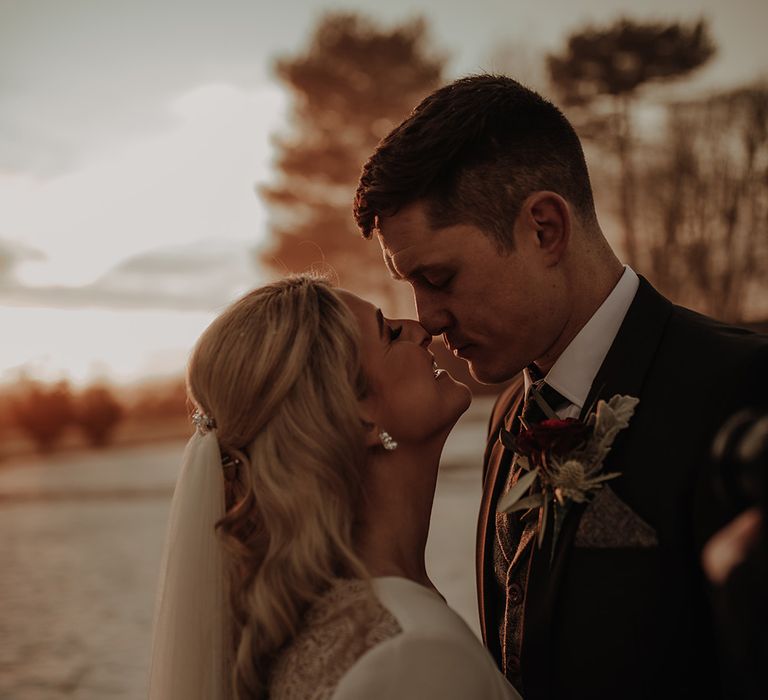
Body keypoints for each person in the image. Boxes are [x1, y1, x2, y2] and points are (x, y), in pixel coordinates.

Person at [353, 73, 768, 699]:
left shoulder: (743, 388)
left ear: (545, 228)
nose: (429, 319)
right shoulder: (506, 420)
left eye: (440, 277)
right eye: (411, 285)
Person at [148, 275, 522, 700]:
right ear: (358, 413)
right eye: (389, 333)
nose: (421, 330)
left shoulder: (324, 626)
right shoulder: (414, 655)